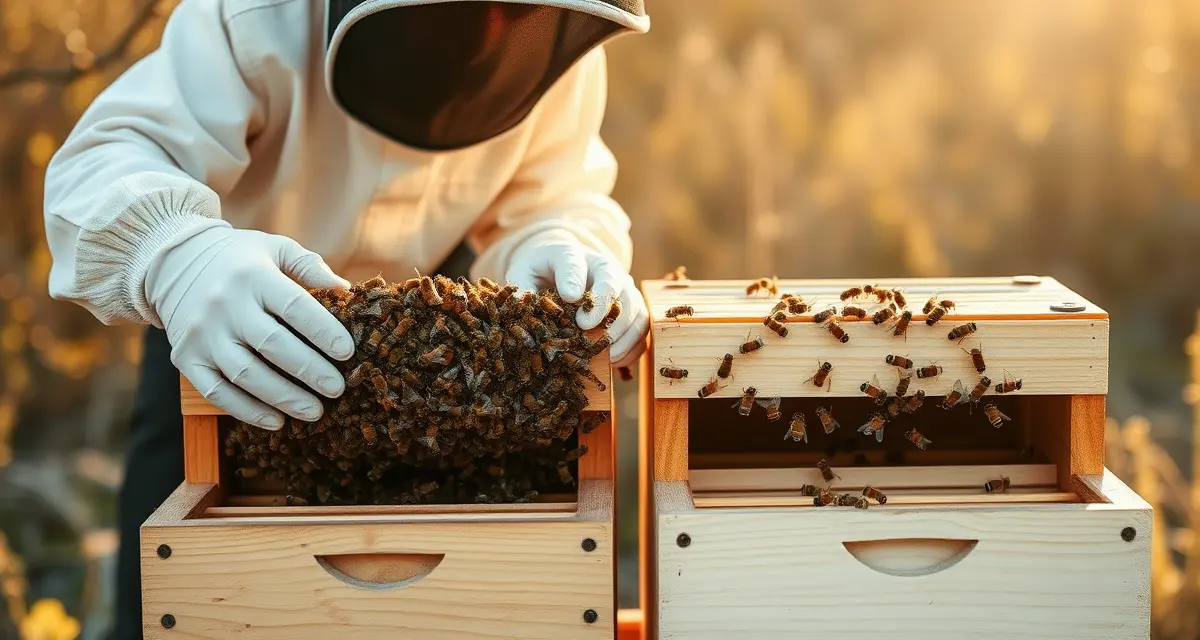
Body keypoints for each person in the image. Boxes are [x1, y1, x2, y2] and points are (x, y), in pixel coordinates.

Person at [41, 0, 650, 637]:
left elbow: (554, 191)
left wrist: (557, 240)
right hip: (227, 336)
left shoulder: (559, 40)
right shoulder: (254, 18)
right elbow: (103, 159)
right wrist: (177, 256)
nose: (493, 28)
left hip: (443, 368)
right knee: (172, 604)